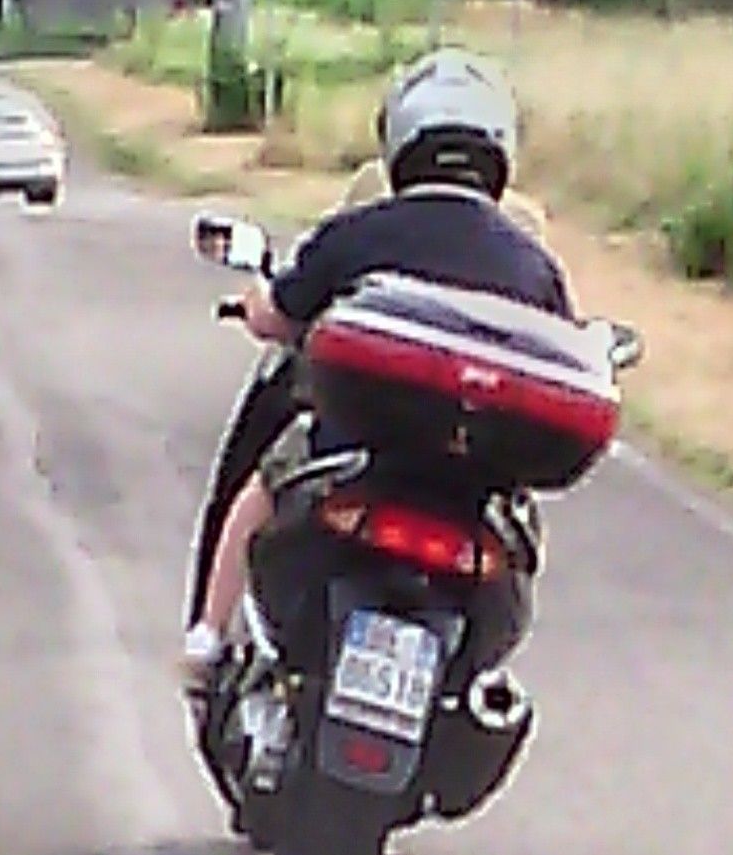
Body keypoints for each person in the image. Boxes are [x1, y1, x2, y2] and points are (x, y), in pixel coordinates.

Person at [183, 48, 576, 690]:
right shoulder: (532, 264)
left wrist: (256, 304)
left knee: (257, 491)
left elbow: (279, 317)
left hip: (359, 449)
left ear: (399, 141)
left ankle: (205, 641)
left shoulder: (359, 232)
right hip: (473, 475)